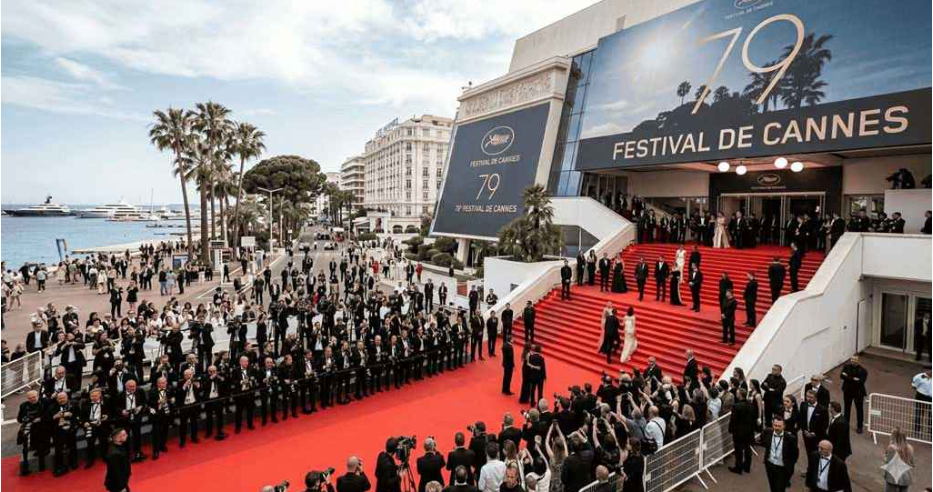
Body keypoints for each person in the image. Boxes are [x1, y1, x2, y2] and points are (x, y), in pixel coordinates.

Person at [762, 417, 798, 492]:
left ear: (784, 426)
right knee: (772, 487)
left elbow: (795, 454)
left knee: (780, 489)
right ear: (772, 425)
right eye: (775, 425)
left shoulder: (791, 438)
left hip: (782, 468)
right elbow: (763, 442)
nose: (777, 428)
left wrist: (789, 466)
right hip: (770, 465)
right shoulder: (767, 432)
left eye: (779, 426)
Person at [729, 388, 756, 474]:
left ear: (740, 395)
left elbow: (733, 420)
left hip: (738, 431)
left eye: (737, 393)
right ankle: (747, 467)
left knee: (738, 450)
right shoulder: (751, 405)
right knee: (748, 448)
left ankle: (738, 467)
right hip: (749, 430)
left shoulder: (736, 406)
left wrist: (731, 429)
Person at [839, 356, 867, 434]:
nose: (853, 361)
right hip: (847, 391)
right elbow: (841, 376)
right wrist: (853, 379)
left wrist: (847, 377)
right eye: (852, 359)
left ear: (858, 361)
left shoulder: (863, 371)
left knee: (859, 410)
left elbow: (860, 382)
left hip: (858, 392)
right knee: (847, 408)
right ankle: (846, 424)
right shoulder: (846, 367)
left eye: (855, 359)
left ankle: (859, 427)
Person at [882, 428, 915, 492]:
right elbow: (912, 463)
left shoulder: (892, 448)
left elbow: (888, 462)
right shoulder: (910, 448)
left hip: (893, 479)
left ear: (894, 437)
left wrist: (885, 456)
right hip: (906, 478)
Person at [799, 389, 829, 457]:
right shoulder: (803, 405)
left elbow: (825, 425)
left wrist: (814, 433)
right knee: (808, 453)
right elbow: (801, 418)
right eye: (807, 396)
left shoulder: (823, 409)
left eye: (811, 397)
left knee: (817, 454)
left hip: (817, 437)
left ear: (816, 398)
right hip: (806, 435)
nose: (808, 399)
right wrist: (804, 430)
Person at [104, 428, 132, 492]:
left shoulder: (119, 446)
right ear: (117, 438)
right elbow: (116, 472)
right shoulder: (114, 453)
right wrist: (122, 487)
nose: (127, 435)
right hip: (117, 484)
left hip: (121, 481)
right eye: (124, 435)